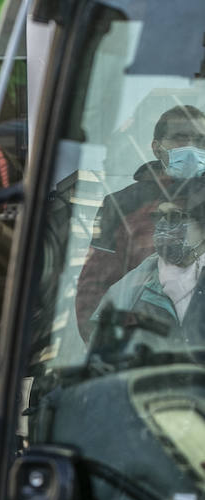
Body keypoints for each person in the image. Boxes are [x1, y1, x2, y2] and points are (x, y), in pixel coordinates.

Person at [76, 105, 205, 339]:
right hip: (145, 354)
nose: (191, 147)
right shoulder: (122, 206)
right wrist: (105, 354)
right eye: (180, 138)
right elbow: (92, 291)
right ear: (157, 147)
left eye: (200, 140)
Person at [88, 179, 205, 348]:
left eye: (174, 216)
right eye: (158, 216)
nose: (163, 225)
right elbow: (100, 350)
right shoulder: (135, 285)